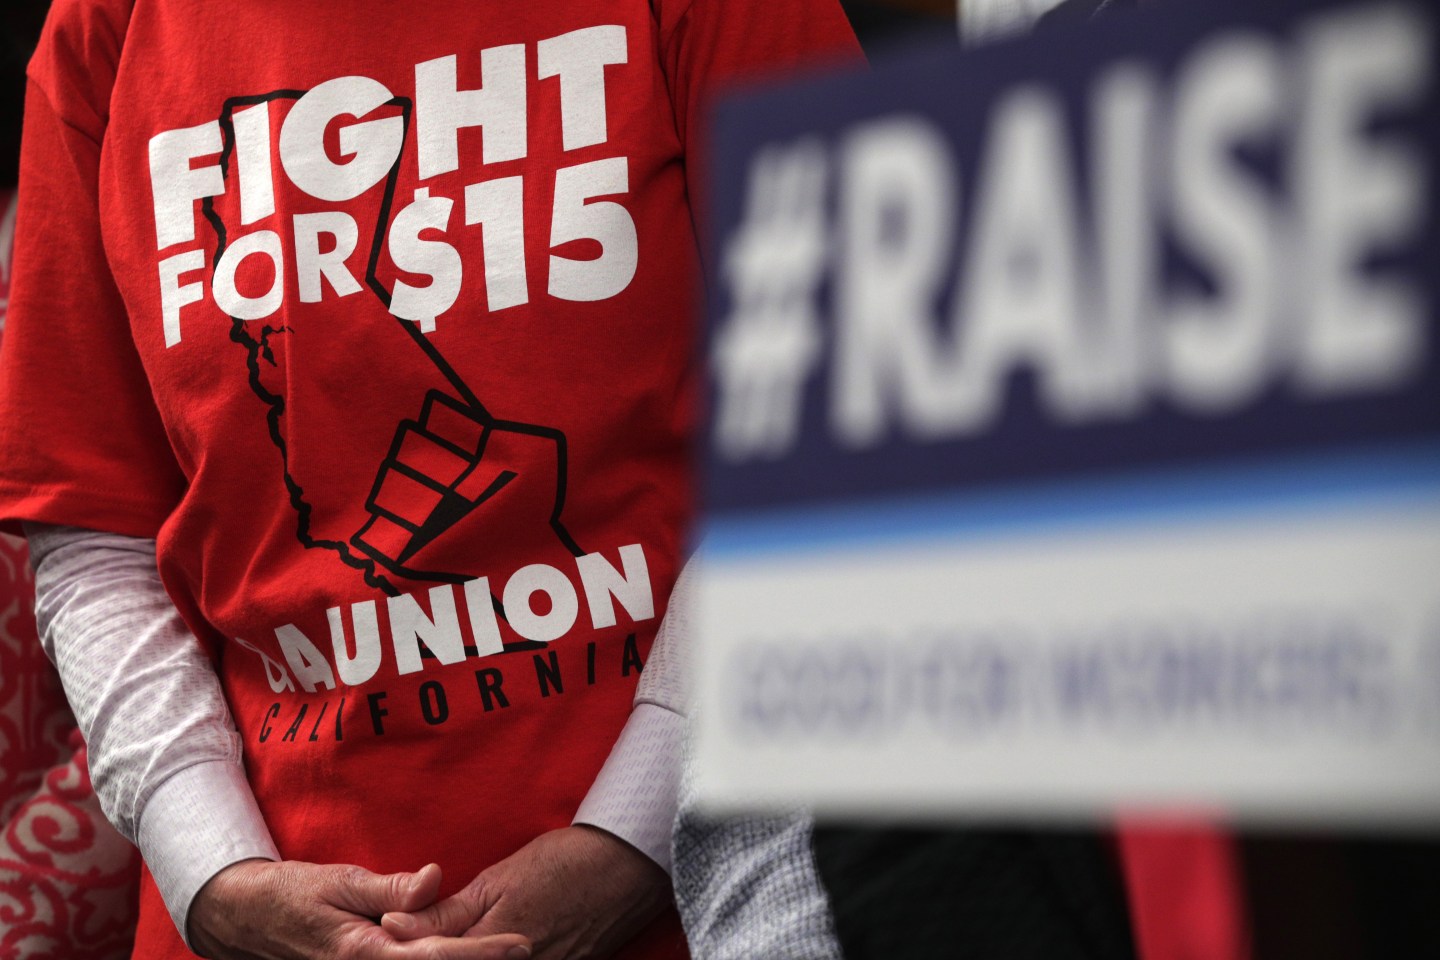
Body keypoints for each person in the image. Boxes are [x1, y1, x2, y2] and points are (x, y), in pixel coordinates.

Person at [0, 2, 863, 958]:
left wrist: (630, 840)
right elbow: (94, 532)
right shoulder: (106, 32)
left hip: (695, 908)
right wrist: (218, 875)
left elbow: (846, 428)